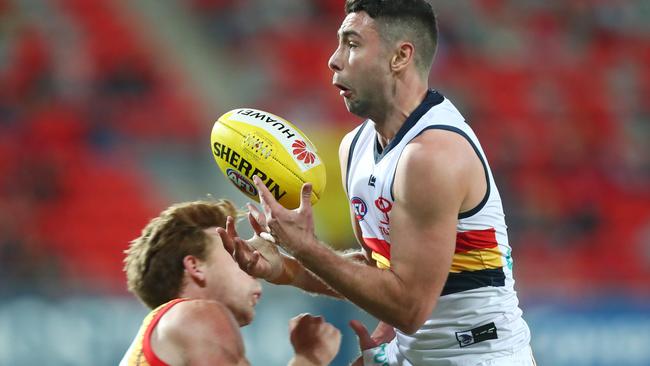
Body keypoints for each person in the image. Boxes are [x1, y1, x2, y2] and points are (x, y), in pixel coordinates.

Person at [230, 0, 535, 365]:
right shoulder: (354, 148)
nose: (334, 59)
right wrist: (286, 267)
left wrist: (307, 249)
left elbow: (408, 308)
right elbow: (380, 272)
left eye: (352, 44)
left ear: (400, 57)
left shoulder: (431, 156)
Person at [120, 200, 341, 366]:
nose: (250, 266)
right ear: (195, 267)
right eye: (233, 254)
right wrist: (309, 358)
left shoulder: (166, 334)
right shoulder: (195, 314)